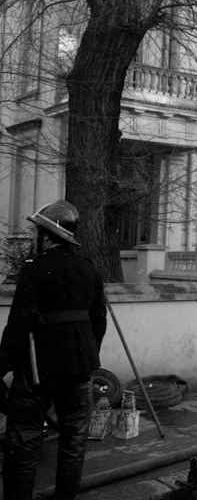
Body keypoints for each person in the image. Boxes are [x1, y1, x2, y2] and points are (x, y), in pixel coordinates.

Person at [0, 200, 107, 500]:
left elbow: (18, 325)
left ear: (48, 236)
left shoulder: (34, 270)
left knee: (25, 441)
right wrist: (87, 356)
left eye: (38, 233)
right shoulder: (89, 269)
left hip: (38, 370)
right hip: (80, 369)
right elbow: (99, 321)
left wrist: (2, 367)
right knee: (73, 442)